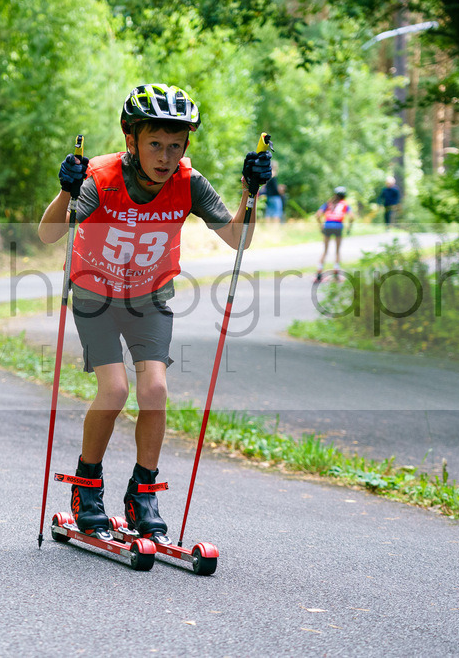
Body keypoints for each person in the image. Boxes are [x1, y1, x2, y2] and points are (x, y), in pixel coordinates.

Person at [37, 84, 272, 542]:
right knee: (115, 388)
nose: (166, 157)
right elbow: (49, 234)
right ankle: (87, 487)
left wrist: (252, 193)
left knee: (156, 389)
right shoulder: (102, 179)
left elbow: (237, 239)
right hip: (96, 296)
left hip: (149, 298)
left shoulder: (189, 183)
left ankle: (142, 493)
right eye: (155, 145)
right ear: (131, 141)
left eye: (176, 145)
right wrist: (65, 192)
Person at [314, 186, 353, 283]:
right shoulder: (345, 204)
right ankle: (336, 274)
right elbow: (352, 217)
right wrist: (349, 227)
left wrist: (321, 226)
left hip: (327, 226)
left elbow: (318, 215)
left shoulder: (328, 203)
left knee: (325, 250)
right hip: (338, 226)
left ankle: (319, 274)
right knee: (337, 250)